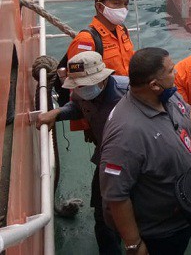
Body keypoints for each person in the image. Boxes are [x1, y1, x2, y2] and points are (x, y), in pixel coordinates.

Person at [99, 48, 191, 254]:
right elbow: (116, 196)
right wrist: (134, 244)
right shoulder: (126, 134)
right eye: (171, 71)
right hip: (160, 232)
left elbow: (187, 115)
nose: (176, 74)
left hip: (182, 215)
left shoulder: (167, 97)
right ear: (154, 84)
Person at [38, 52, 127, 254]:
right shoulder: (80, 90)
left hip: (134, 161)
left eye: (87, 84)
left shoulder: (129, 92)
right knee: (102, 213)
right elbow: (77, 105)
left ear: (103, 78)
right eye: (78, 85)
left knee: (136, 207)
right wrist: (58, 112)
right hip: (106, 159)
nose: (82, 90)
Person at [67, 0, 137, 76]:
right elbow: (76, 75)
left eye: (125, 4)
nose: (123, 8)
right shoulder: (86, 40)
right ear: (100, 7)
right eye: (116, 3)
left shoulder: (122, 30)